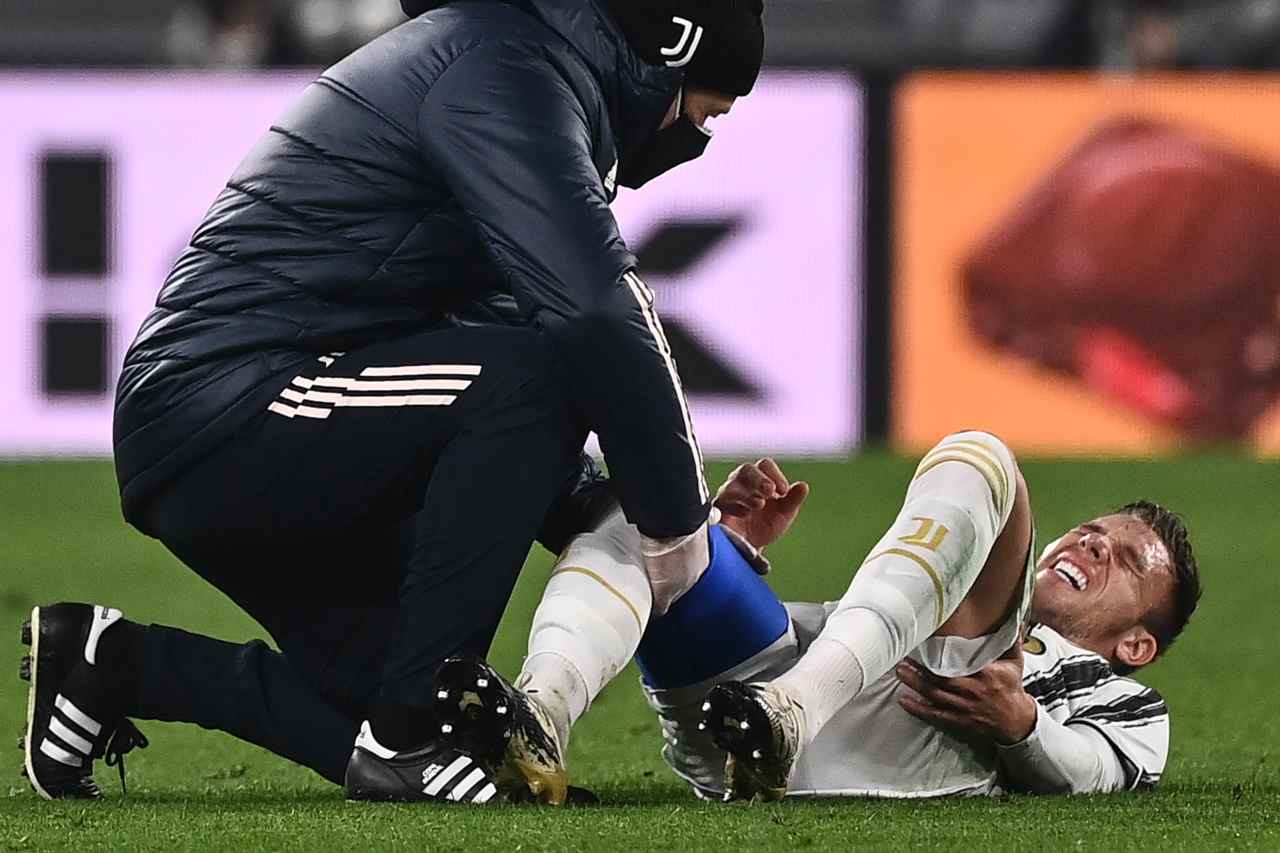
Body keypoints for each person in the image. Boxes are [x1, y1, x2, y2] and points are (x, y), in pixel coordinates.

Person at [18, 0, 765, 804]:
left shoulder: (508, 62)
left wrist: (615, 505)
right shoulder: (506, 73)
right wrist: (677, 526)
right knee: (548, 377)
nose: (699, 136)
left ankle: (108, 664)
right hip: (229, 404)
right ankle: (415, 734)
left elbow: (489, 345)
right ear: (671, 49)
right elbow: (589, 318)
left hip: (240, 411)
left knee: (381, 696)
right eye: (705, 111)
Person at [439, 431, 1200, 799]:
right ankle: (540, 713)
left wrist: (1023, 725)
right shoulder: (921, 600)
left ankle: (792, 711)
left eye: (1128, 561)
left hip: (920, 744)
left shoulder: (1123, 699)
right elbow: (802, 631)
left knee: (983, 457)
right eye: (1092, 533)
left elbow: (1099, 772)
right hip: (743, 725)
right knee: (654, 509)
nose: (1094, 547)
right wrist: (722, 548)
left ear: (1139, 641)